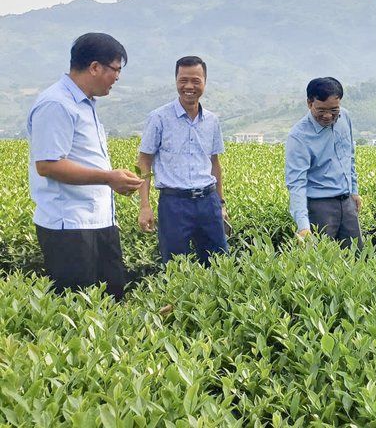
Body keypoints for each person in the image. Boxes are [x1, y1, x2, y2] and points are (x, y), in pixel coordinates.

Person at [26, 33, 143, 300]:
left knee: (111, 306)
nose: (117, 77)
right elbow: (48, 164)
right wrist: (108, 178)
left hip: (97, 223)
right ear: (94, 67)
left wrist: (113, 180)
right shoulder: (56, 104)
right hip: (69, 228)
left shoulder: (84, 104)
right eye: (115, 69)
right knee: (79, 312)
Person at [137, 56, 229, 266]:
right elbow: (143, 163)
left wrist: (221, 203)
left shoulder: (212, 121)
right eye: (183, 80)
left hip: (208, 202)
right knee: (175, 268)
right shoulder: (158, 118)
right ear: (176, 81)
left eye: (196, 81)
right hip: (173, 204)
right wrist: (145, 206)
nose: (189, 86)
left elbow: (215, 164)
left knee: (219, 266)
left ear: (205, 81)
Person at [284, 77, 363, 250]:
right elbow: (296, 183)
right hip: (319, 208)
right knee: (319, 264)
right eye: (321, 110)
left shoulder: (345, 117)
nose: (328, 116)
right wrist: (303, 226)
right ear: (309, 103)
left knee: (358, 260)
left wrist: (354, 190)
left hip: (347, 202)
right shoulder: (299, 136)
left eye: (334, 109)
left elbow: (349, 155)